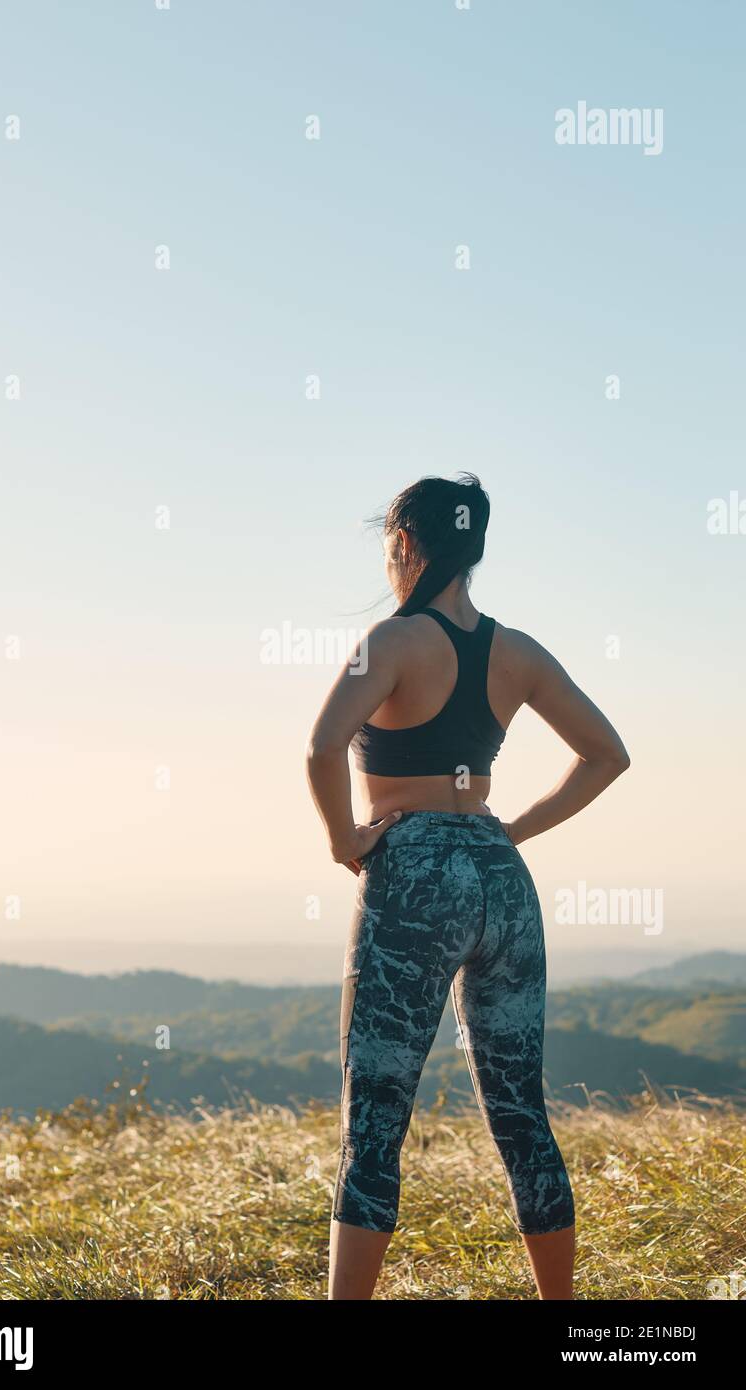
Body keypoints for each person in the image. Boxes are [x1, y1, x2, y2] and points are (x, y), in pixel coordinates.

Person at [306, 474, 630, 1300]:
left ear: (408, 545)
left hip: (412, 872)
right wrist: (507, 831)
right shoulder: (516, 651)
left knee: (374, 1120)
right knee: (522, 1114)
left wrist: (347, 842)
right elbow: (607, 754)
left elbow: (321, 748)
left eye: (389, 547)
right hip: (500, 880)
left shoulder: (394, 641)